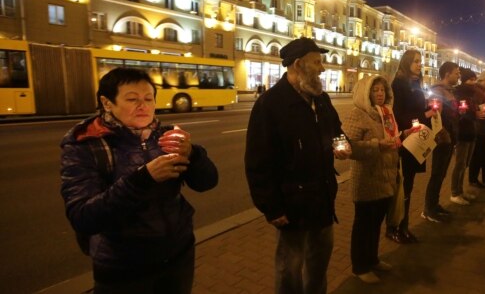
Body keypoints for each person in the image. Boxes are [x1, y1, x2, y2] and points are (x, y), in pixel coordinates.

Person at [60, 68, 218, 294]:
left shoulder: (167, 136)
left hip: (178, 257)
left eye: (148, 99)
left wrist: (193, 154)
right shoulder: (86, 144)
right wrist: (143, 179)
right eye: (132, 99)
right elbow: (83, 217)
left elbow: (208, 182)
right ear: (107, 103)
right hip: (122, 268)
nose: (143, 106)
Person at [244, 37, 351, 294]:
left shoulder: (321, 99)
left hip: (323, 198)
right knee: (289, 268)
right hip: (291, 205)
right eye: (317, 62)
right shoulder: (270, 104)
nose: (323, 69)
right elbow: (258, 161)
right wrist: (271, 208)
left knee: (319, 263)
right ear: (299, 64)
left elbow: (336, 131)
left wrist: (343, 144)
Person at [342, 75, 399, 284]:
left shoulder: (387, 114)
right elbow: (349, 147)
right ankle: (359, 266)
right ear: (365, 93)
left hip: (385, 177)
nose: (380, 93)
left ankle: (372, 259)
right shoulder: (357, 115)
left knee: (376, 224)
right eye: (375, 90)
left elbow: (393, 139)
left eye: (383, 89)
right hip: (367, 179)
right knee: (363, 226)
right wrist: (377, 145)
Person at [388, 49, 437, 243]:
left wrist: (431, 110)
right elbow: (398, 114)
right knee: (401, 187)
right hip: (405, 140)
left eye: (420, 61)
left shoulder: (416, 83)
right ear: (407, 62)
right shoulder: (398, 84)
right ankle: (395, 227)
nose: (419, 64)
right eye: (416, 61)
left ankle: (403, 226)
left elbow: (416, 108)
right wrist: (424, 116)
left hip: (417, 140)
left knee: (408, 186)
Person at [422, 61, 460, 222]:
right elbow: (434, 116)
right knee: (437, 172)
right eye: (456, 72)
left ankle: (435, 204)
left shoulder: (449, 91)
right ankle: (428, 209)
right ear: (447, 74)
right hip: (442, 137)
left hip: (450, 136)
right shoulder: (437, 91)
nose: (459, 75)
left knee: (442, 172)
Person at [448, 68, 478, 205]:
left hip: (471, 131)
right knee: (459, 164)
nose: (474, 82)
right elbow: (458, 114)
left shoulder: (471, 95)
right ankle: (454, 193)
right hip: (462, 133)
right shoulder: (458, 93)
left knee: (465, 164)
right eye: (471, 79)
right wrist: (472, 114)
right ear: (465, 80)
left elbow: (472, 111)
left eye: (474, 79)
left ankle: (460, 191)